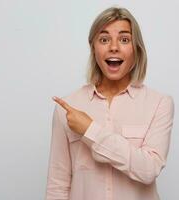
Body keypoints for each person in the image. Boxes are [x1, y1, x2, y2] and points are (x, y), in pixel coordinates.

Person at [45, 6, 175, 200]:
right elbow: (58, 185)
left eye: (124, 39)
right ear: (93, 48)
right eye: (104, 39)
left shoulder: (159, 104)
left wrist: (90, 131)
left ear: (136, 49)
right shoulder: (68, 107)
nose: (114, 47)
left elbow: (149, 170)